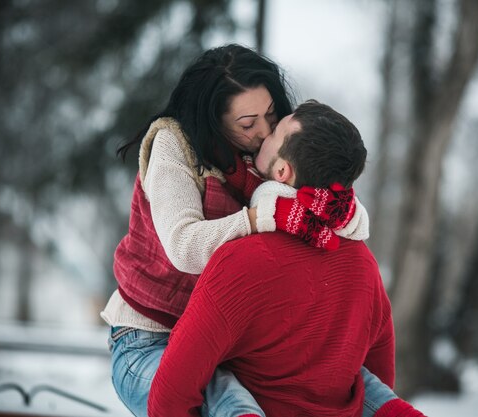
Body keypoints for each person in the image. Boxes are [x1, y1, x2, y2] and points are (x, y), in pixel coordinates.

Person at [102, 44, 402, 417]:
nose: (264, 131)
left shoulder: (263, 154)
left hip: (229, 346)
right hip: (153, 336)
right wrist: (258, 218)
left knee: (346, 388)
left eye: (272, 116)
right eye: (248, 124)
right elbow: (183, 246)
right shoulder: (174, 147)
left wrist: (345, 216)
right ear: (213, 119)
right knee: (226, 402)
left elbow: (308, 187)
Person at [147, 100, 425, 417]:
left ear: (282, 171)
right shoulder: (364, 264)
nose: (263, 135)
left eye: (275, 132)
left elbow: (169, 396)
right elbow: (378, 371)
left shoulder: (241, 261)